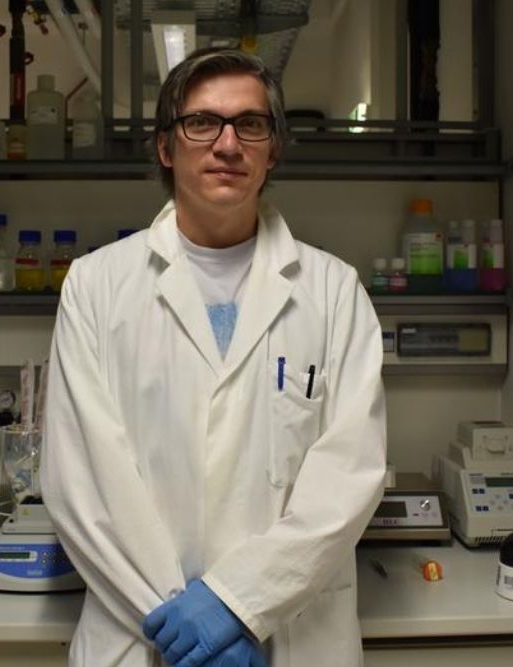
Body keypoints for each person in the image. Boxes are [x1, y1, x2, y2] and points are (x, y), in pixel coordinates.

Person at [40, 47, 387, 667]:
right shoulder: (94, 287)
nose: (227, 143)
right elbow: (83, 483)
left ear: (272, 149)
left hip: (290, 637)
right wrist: (184, 629)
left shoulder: (335, 292)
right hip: (143, 634)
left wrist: (237, 605)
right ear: (166, 148)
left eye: (250, 124)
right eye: (201, 122)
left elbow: (347, 481)